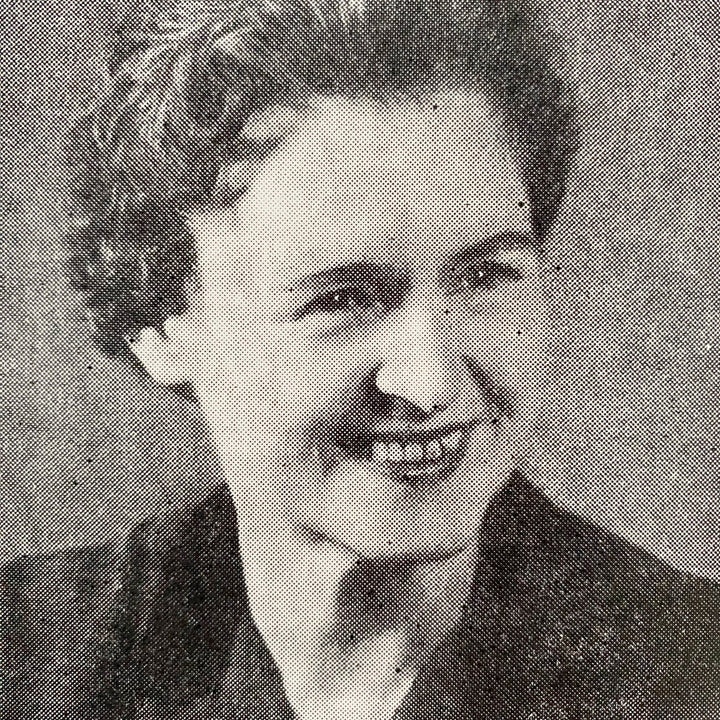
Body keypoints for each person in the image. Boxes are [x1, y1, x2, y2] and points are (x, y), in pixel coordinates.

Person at [2, 0, 719, 718]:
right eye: (345, 298)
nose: (431, 375)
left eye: (484, 278)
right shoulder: (38, 668)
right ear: (161, 327)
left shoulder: (683, 668)